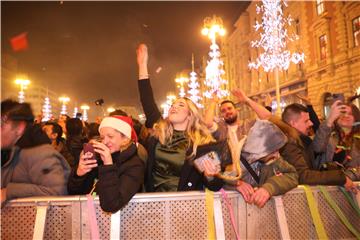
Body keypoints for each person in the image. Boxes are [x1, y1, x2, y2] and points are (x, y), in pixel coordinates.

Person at [136, 43, 231, 192]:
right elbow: (147, 100)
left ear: (190, 115)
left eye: (180, 105)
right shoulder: (160, 133)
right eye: (173, 104)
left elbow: (215, 185)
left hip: (184, 207)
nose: (173, 106)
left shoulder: (202, 143)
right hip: (154, 203)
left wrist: (211, 175)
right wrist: (142, 65)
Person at [68, 115, 145, 213]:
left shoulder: (134, 165)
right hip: (90, 217)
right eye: (102, 137)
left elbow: (111, 205)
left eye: (110, 136)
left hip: (122, 222)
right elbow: (73, 192)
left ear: (125, 138)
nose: (105, 141)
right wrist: (79, 174)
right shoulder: (98, 157)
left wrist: (108, 165)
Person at [1, 99, 70, 206]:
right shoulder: (9, 151)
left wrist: (8, 192)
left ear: (19, 128)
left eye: (1, 125)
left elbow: (57, 193)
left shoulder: (41, 154)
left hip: (39, 221)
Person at [279, 103, 357, 193]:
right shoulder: (289, 144)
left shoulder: (302, 141)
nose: (311, 123)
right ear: (293, 123)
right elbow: (303, 176)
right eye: (306, 121)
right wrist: (340, 177)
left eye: (350, 114)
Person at [236, 120, 298, 208]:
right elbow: (217, 179)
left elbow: (292, 175)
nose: (277, 155)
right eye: (273, 150)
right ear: (260, 149)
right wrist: (235, 184)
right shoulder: (234, 160)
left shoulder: (273, 160)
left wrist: (269, 187)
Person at [313, 101, 360, 180]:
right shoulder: (327, 134)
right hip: (325, 182)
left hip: (351, 186)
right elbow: (317, 148)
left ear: (356, 118)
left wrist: (345, 178)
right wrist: (329, 121)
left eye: (350, 114)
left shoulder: (358, 140)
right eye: (343, 112)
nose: (346, 116)